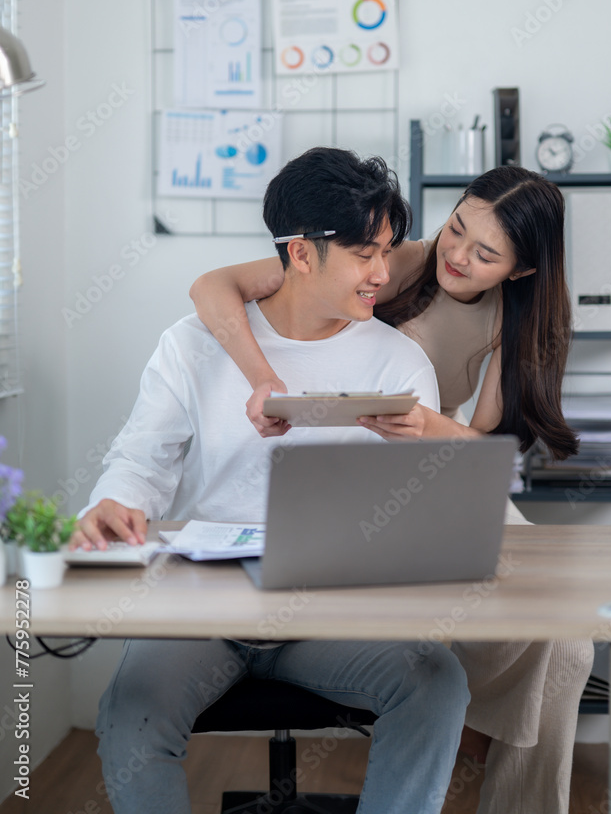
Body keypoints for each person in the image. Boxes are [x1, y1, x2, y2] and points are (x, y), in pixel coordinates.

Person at [73, 146, 470, 814]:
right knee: (131, 712)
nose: (383, 272)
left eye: (387, 251)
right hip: (203, 607)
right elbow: (143, 457)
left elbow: (419, 511)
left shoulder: (397, 362)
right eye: (363, 253)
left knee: (436, 683)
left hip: (327, 614)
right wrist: (115, 503)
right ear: (301, 254)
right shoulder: (193, 343)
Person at [189, 162, 594, 814]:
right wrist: (267, 382)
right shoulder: (389, 260)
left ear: (519, 271)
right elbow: (211, 287)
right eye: (456, 227)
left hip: (436, 455)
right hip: (353, 463)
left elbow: (479, 448)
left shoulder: (519, 316)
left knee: (570, 642)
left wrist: (426, 424)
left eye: (484, 253)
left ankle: (510, 790)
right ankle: (461, 717)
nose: (455, 255)